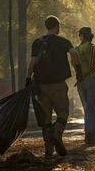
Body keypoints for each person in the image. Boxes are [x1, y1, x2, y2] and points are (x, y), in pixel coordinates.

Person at [25, 15, 79, 158]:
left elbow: (33, 62)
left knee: (46, 118)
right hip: (59, 84)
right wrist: (76, 68)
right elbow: (74, 53)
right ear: (56, 26)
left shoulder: (37, 42)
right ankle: (57, 134)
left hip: (42, 85)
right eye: (58, 26)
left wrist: (27, 78)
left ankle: (48, 150)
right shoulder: (63, 41)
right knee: (63, 111)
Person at [76, 27, 95, 146]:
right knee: (90, 108)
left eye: (80, 35)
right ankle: (90, 134)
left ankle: (88, 132)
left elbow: (74, 65)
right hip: (92, 80)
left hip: (80, 81)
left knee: (86, 107)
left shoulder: (76, 50)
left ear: (82, 36)